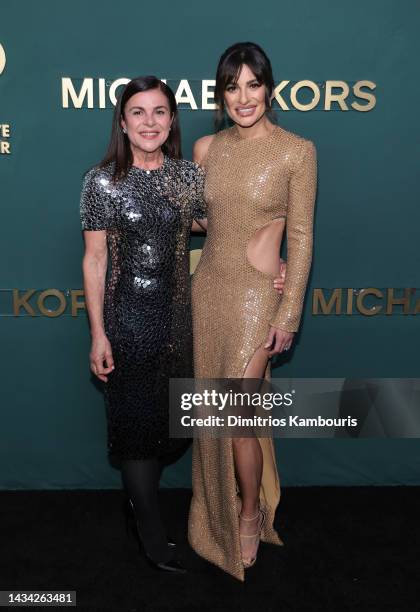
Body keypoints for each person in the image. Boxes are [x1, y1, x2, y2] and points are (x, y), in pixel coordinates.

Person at [188, 42, 318, 581]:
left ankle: (248, 515)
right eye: (232, 86)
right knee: (212, 418)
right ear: (222, 93)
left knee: (239, 417)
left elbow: (304, 235)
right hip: (209, 290)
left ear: (269, 88)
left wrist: (287, 314)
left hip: (257, 300)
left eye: (252, 84)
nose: (243, 97)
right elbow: (201, 223)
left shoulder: (297, 151)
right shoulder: (205, 148)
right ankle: (213, 511)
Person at [79, 76, 208, 574]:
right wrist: (98, 333)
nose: (149, 122)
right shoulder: (102, 180)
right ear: (123, 122)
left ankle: (138, 506)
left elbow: (224, 230)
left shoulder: (188, 177)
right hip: (127, 320)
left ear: (172, 120)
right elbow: (93, 261)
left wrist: (274, 260)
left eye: (159, 112)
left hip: (179, 321)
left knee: (169, 426)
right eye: (138, 112)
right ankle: (151, 534)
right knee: (135, 427)